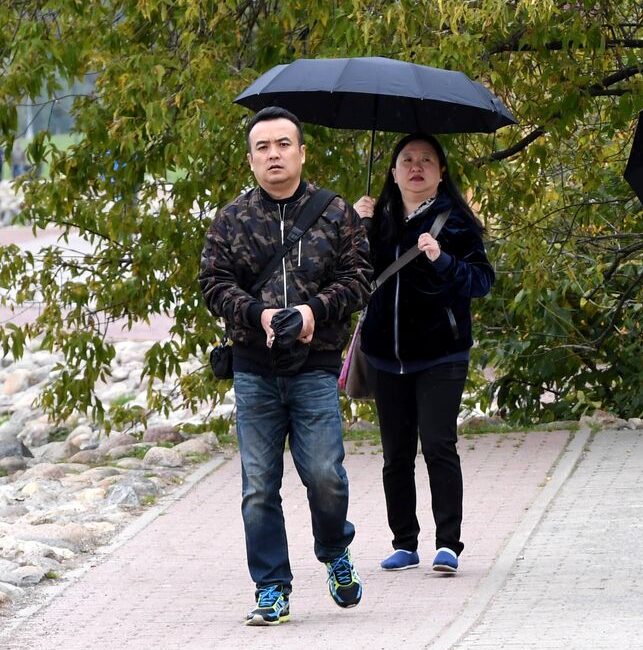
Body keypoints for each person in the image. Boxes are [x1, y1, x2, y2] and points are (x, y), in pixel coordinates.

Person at [199, 106, 372, 626]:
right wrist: (260, 313)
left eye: (282, 144)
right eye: (262, 147)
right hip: (254, 367)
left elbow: (361, 277)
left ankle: (335, 550)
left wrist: (316, 311)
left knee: (325, 475)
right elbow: (212, 283)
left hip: (315, 367)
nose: (273, 154)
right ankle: (272, 587)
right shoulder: (232, 219)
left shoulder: (335, 212)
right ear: (251, 159)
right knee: (258, 485)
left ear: (301, 152)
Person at [353, 133, 494, 575]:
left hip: (441, 354)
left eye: (426, 160)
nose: (416, 167)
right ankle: (404, 542)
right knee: (395, 453)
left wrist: (443, 260)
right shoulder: (378, 221)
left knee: (437, 444)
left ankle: (448, 544)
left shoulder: (456, 223)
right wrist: (357, 228)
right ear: (393, 173)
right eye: (407, 160)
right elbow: (351, 278)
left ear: (441, 172)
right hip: (384, 354)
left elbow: (481, 282)